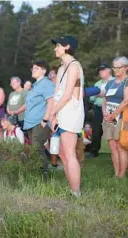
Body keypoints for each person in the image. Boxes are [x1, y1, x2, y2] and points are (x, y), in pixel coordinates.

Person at [50, 36, 85, 197]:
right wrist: (55, 115)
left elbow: (68, 94)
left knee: (69, 153)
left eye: (57, 46)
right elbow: (57, 93)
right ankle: (72, 188)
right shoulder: (62, 68)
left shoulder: (74, 66)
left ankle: (76, 192)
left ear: (67, 46)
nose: (55, 49)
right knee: (63, 153)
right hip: (61, 112)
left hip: (71, 113)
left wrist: (52, 112)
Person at [24, 60, 55, 179]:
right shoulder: (35, 85)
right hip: (30, 123)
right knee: (34, 149)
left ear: (44, 70)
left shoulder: (46, 83)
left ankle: (44, 176)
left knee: (37, 148)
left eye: (36, 68)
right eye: (33, 68)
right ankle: (37, 174)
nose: (33, 70)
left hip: (40, 122)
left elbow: (51, 102)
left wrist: (45, 120)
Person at [102, 56, 128, 178]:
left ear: (126, 68)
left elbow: (126, 101)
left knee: (120, 146)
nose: (116, 70)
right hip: (108, 118)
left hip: (121, 118)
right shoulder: (110, 82)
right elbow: (104, 100)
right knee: (112, 147)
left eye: (119, 67)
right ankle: (116, 174)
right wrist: (105, 114)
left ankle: (121, 175)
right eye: (114, 67)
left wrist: (114, 115)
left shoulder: (126, 81)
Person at [88, 64, 115, 158]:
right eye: (100, 70)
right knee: (96, 130)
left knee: (113, 130)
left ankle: (115, 151)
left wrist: (105, 95)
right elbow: (91, 99)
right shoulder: (97, 84)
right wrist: (96, 95)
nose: (101, 72)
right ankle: (94, 151)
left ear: (109, 70)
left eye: (103, 70)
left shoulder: (115, 81)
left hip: (112, 109)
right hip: (98, 109)